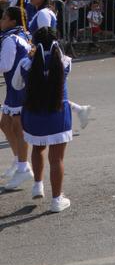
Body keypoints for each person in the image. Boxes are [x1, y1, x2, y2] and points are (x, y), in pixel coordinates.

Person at [11, 28, 73, 210]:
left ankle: (38, 184)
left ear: (34, 44)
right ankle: (56, 200)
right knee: (57, 159)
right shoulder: (65, 61)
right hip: (58, 113)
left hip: (34, 113)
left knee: (38, 149)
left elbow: (16, 85)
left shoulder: (25, 63)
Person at [0, 7, 32, 190]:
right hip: (15, 87)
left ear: (13, 21)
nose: (1, 21)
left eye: (4, 18)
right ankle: (17, 160)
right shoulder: (21, 34)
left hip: (19, 87)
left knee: (18, 128)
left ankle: (23, 167)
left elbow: (5, 65)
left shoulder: (11, 40)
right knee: (5, 124)